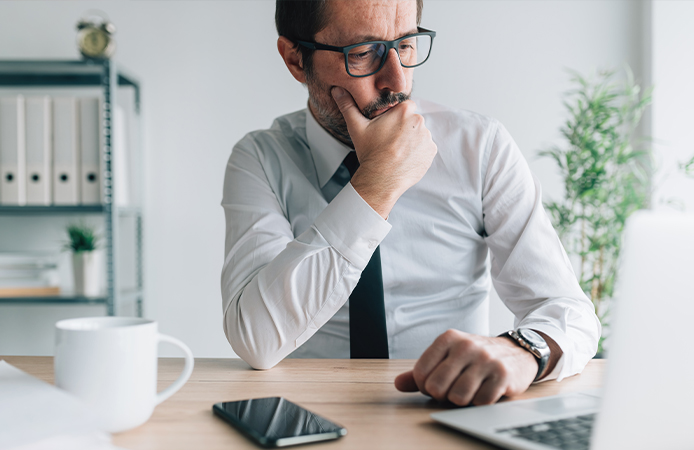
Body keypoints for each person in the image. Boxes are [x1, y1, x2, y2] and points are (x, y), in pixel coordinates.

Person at [221, 0, 601, 407]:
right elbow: (256, 339)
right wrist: (377, 183)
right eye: (364, 53)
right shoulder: (261, 158)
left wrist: (521, 350)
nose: (397, 81)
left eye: (405, 44)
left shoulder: (479, 147)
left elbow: (567, 311)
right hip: (309, 412)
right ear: (296, 59)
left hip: (449, 409)